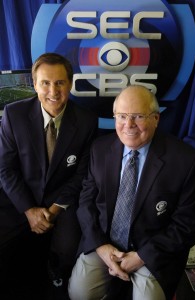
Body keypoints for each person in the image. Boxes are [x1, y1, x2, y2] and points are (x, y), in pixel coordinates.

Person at [68, 85, 195, 300]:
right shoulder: (99, 149)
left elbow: (187, 224)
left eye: (138, 116)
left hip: (153, 249)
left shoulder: (186, 161)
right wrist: (100, 246)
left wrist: (141, 256)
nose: (128, 125)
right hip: (105, 242)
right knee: (79, 293)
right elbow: (86, 202)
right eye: (122, 116)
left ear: (156, 119)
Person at [0, 53, 98, 298]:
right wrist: (29, 210)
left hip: (62, 202)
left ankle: (55, 283)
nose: (53, 91)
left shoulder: (86, 121)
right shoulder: (14, 115)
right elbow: (5, 168)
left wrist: (53, 210)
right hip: (20, 199)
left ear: (70, 84)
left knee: (65, 252)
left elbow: (83, 175)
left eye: (60, 83)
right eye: (45, 83)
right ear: (34, 84)